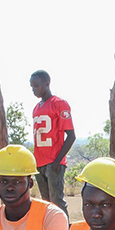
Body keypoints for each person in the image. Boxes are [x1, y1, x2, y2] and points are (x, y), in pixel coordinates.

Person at [29, 70, 76, 214]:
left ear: (47, 83)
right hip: (39, 163)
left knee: (57, 202)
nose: (33, 89)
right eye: (31, 86)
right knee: (46, 203)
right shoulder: (36, 108)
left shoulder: (59, 104)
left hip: (54, 162)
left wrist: (57, 161)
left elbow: (71, 136)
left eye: (36, 86)